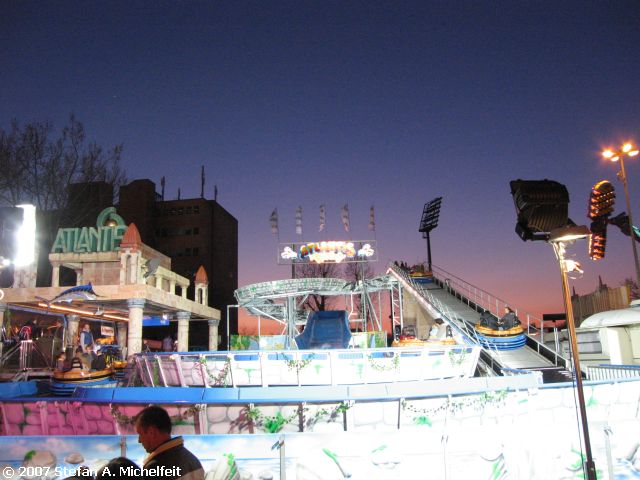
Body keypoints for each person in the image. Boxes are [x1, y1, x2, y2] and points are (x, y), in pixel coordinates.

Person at [135, 405, 204, 480]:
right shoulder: (192, 460)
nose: (139, 440)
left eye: (140, 434)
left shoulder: (155, 469)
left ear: (152, 432)